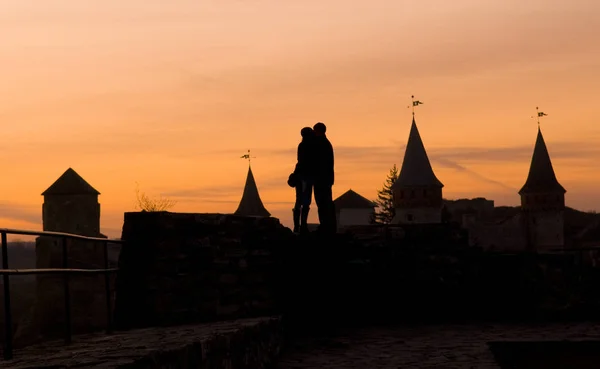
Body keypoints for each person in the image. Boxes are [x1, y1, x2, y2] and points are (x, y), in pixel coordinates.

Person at [312, 122, 336, 234]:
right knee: (325, 202)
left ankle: (325, 225)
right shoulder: (326, 143)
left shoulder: (321, 143)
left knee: (322, 203)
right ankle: (327, 225)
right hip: (326, 179)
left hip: (321, 179)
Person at [291, 127, 315, 233]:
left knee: (299, 200)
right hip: (306, 177)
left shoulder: (302, 145)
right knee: (304, 201)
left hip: (301, 176)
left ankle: (298, 225)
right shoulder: (309, 146)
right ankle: (302, 225)